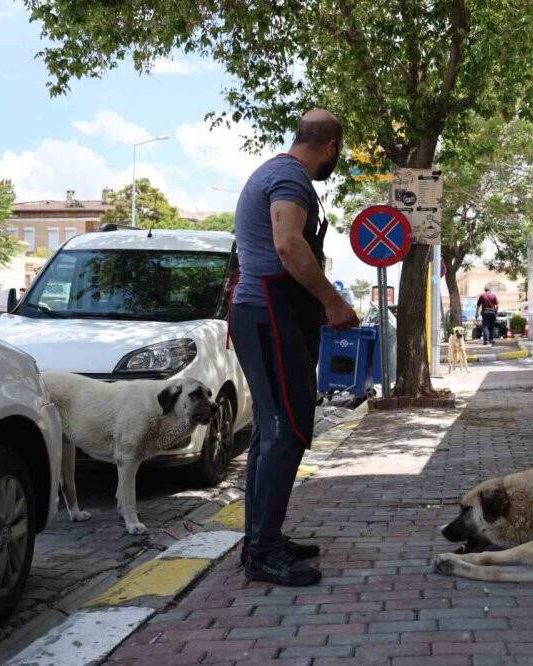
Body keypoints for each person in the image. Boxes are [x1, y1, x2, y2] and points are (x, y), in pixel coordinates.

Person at [229, 109, 359, 586]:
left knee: (271, 431)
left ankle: (261, 539)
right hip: (269, 315)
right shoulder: (290, 178)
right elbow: (287, 245)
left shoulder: (275, 172)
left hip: (264, 315)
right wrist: (333, 301)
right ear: (331, 148)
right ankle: (262, 552)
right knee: (286, 430)